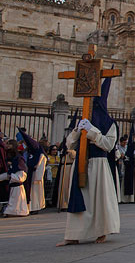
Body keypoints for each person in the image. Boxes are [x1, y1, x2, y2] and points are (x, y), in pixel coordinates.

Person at [57, 76, 119, 245]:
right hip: (82, 162)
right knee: (79, 198)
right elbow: (70, 143)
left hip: (99, 164)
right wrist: (78, 129)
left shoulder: (110, 124)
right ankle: (73, 234)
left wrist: (93, 132)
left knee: (99, 200)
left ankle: (102, 231)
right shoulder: (84, 119)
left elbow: (108, 145)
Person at [18, 129, 47, 214]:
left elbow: (40, 163)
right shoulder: (30, 151)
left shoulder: (40, 153)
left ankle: (35, 207)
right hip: (30, 174)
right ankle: (30, 206)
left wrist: (37, 173)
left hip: (35, 175)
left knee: (35, 192)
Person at [0, 139, 29, 217]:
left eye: (10, 144)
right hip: (13, 182)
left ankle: (17, 212)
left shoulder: (19, 158)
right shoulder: (12, 157)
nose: (8, 146)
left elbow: (22, 174)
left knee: (17, 200)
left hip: (17, 183)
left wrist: (11, 176)